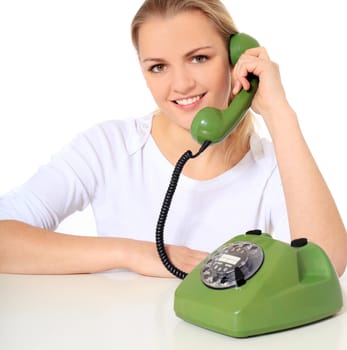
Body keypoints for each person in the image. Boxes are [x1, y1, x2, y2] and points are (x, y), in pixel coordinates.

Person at [0, 0, 346, 277]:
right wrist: (136, 254)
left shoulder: (272, 166)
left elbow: (325, 265)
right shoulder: (109, 146)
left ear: (235, 58)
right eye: (158, 67)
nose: (180, 85)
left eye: (198, 58)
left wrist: (278, 112)